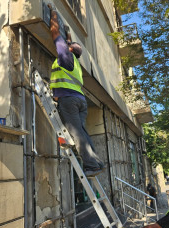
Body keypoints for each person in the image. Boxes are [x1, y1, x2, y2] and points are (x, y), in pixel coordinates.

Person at [48, 5, 104, 177]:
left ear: (70, 49)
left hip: (68, 100)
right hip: (80, 100)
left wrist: (54, 13)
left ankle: (91, 165)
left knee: (76, 133)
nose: (66, 44)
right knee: (82, 131)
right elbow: (69, 41)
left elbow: (54, 32)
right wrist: (69, 33)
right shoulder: (76, 63)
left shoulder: (65, 55)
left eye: (68, 45)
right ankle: (96, 161)